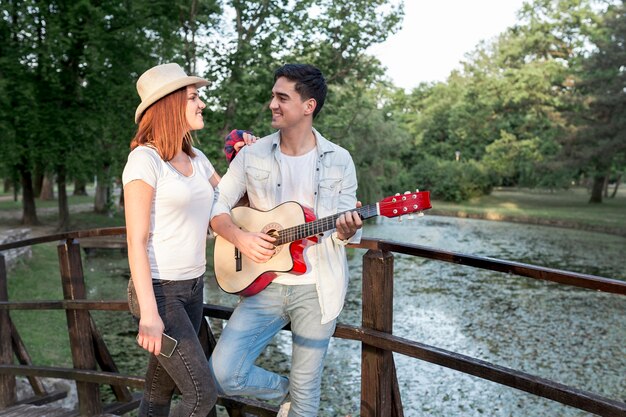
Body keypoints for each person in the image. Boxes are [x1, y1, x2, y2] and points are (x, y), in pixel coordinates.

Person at [209, 63, 363, 417]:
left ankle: (302, 397)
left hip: (317, 288)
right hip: (264, 283)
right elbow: (217, 206)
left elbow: (343, 227)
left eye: (282, 97)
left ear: (307, 106)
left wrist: (348, 229)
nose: (272, 105)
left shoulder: (340, 161)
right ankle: (289, 392)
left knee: (307, 399)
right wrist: (242, 238)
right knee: (222, 374)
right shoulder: (252, 154)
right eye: (273, 96)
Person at [123, 62, 220, 416]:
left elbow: (230, 207)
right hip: (160, 293)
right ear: (169, 104)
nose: (201, 104)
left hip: (194, 288)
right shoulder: (144, 161)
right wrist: (149, 313)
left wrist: (248, 157)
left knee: (158, 390)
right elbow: (136, 240)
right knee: (201, 395)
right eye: (194, 97)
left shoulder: (198, 159)